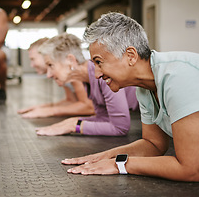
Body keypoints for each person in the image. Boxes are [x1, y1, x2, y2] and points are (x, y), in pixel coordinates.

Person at [62, 12, 199, 181]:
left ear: (131, 56)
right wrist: (107, 156)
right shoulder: (145, 88)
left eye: (99, 62)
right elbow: (153, 144)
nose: (96, 74)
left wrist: (119, 164)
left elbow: (192, 169)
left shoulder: (179, 77)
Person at [35, 33, 138, 136]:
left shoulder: (103, 75)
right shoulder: (88, 80)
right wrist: (70, 122)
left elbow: (120, 128)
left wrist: (73, 126)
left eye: (50, 65)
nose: (48, 74)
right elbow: (104, 119)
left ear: (71, 60)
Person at [18, 37, 95, 119]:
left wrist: (49, 111)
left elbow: (88, 106)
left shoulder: (72, 70)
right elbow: (72, 101)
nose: (32, 65)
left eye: (33, 59)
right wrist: (45, 107)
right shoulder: (62, 73)